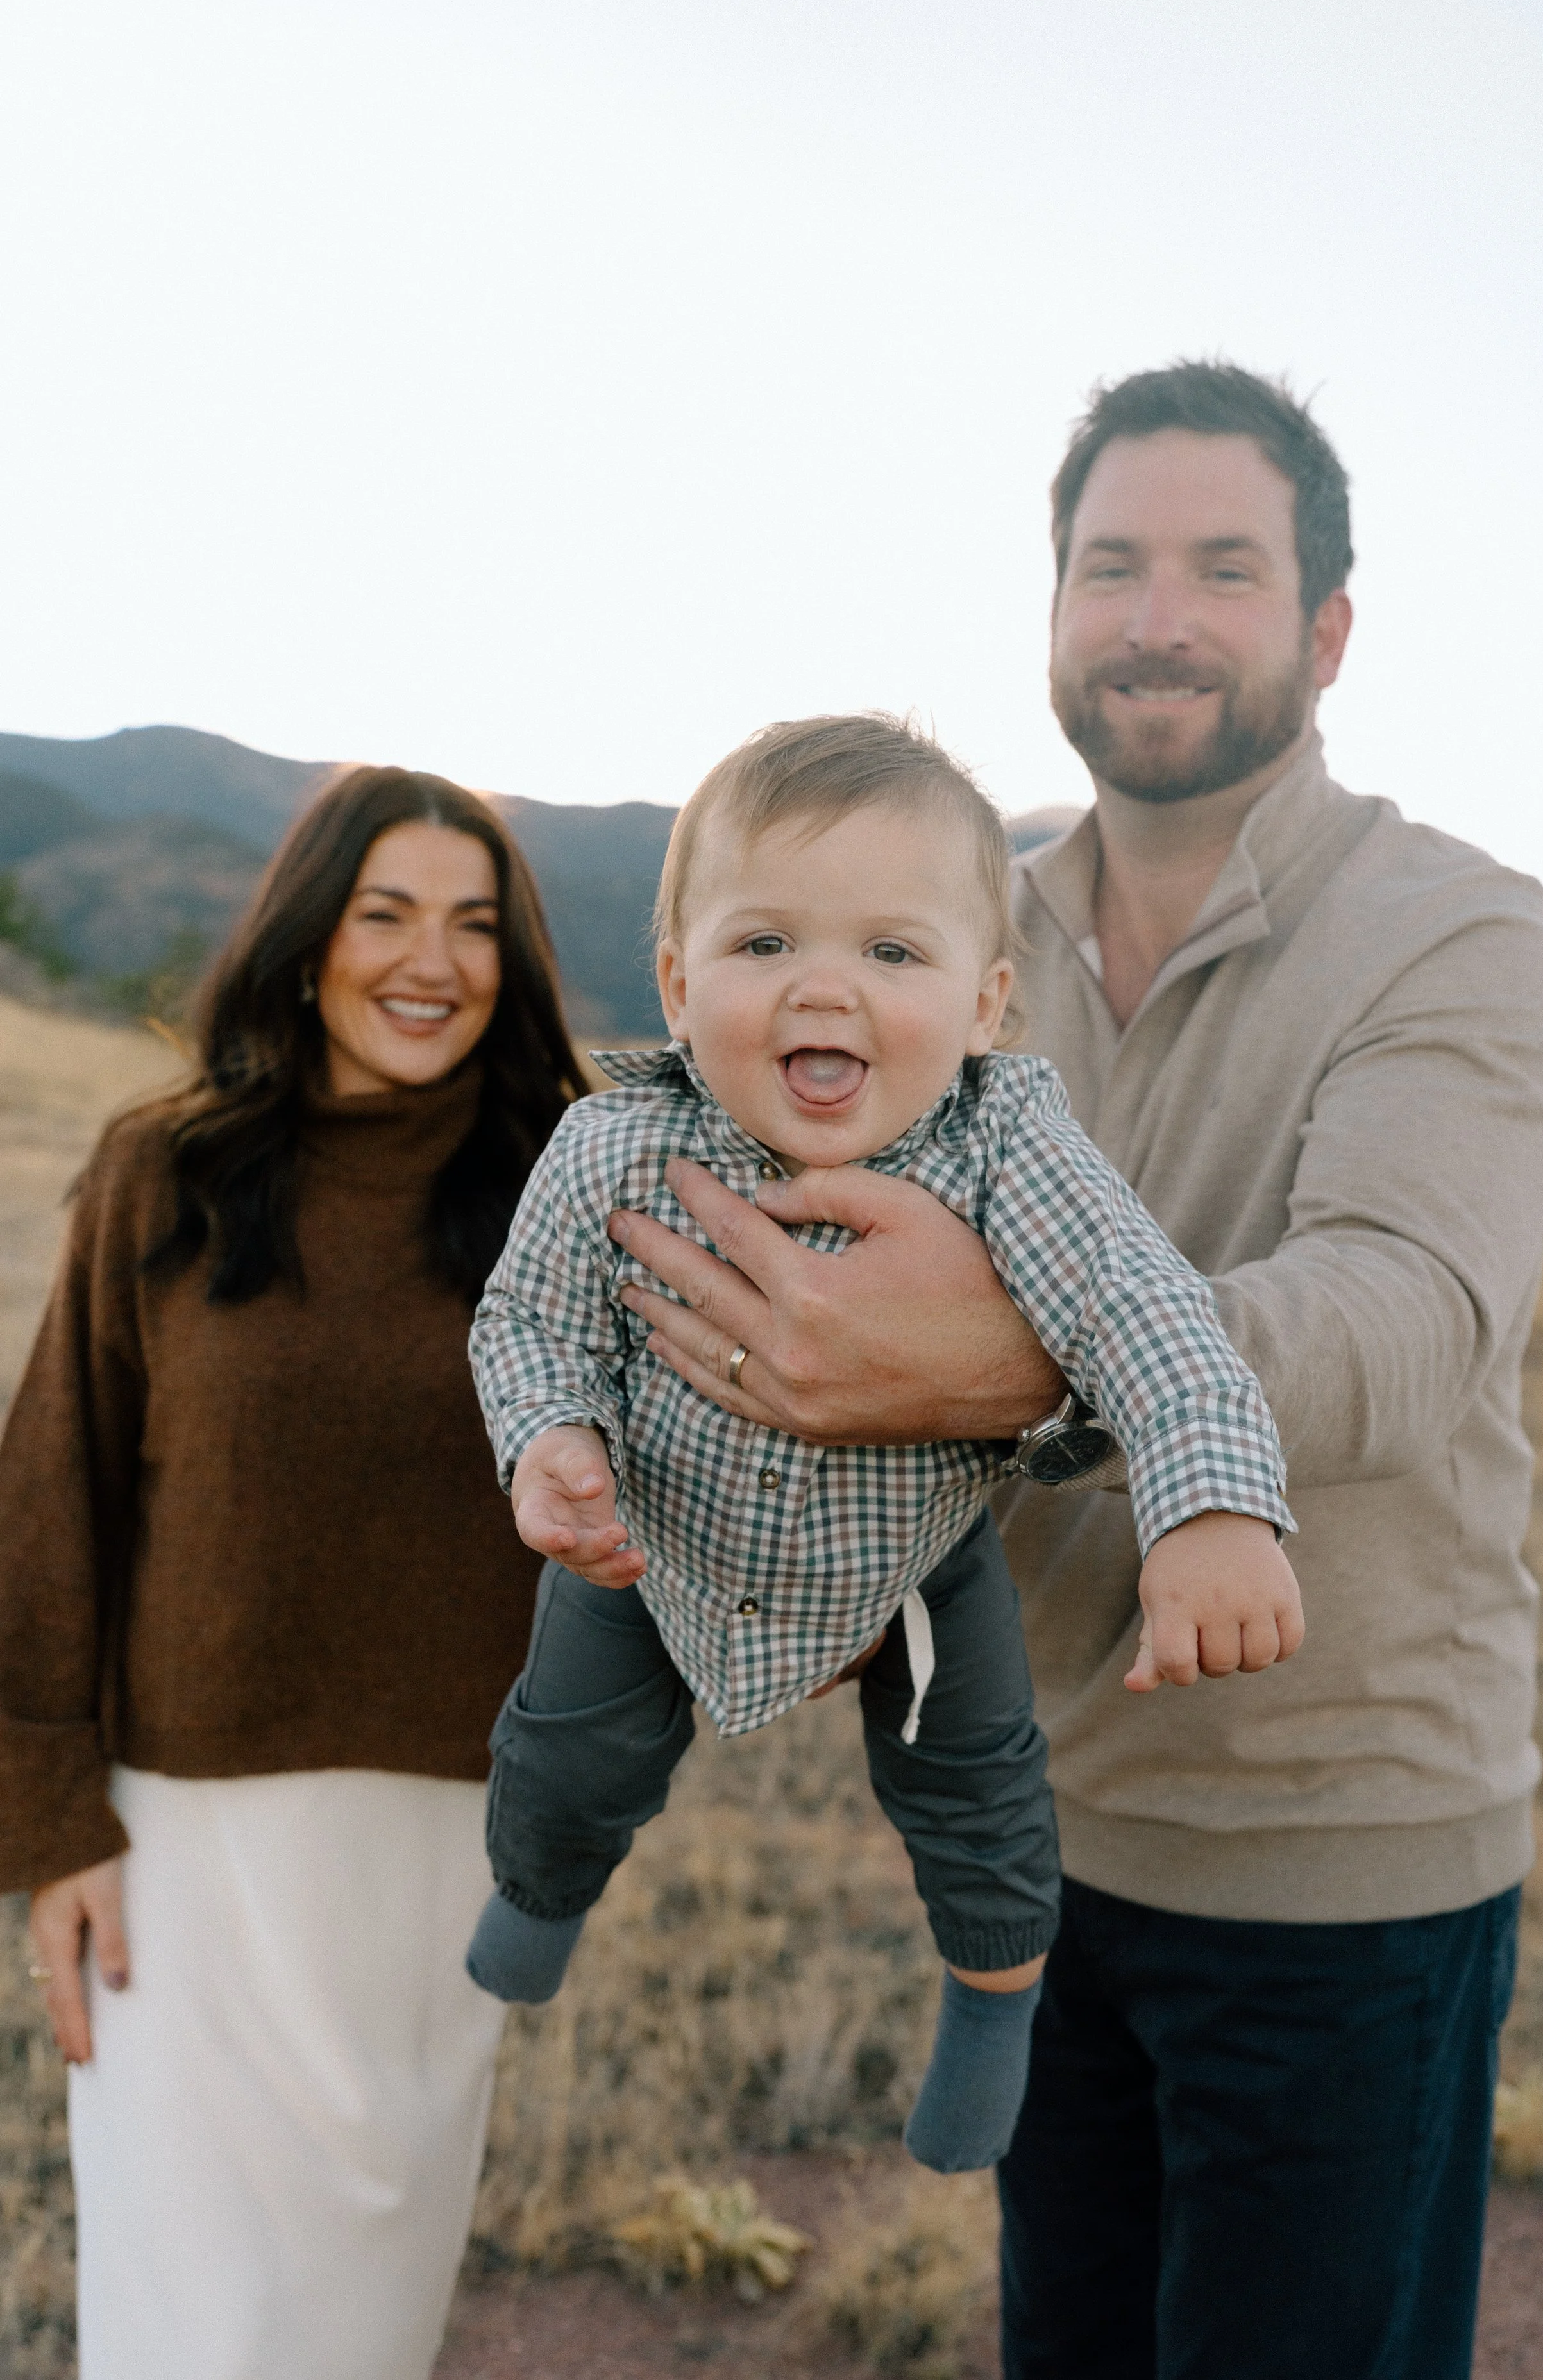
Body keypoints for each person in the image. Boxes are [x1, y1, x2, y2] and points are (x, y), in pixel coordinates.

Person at [591, 367, 1543, 2378]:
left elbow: (1395, 1319)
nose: (1156, 613)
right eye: (1110, 562)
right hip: (1041, 1833)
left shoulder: (1462, 929)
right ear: (1051, 609)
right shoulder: (947, 934)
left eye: (1224, 567)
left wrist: (1000, 1356)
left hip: (1337, 1853)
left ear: (1321, 631)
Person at [463, 712, 1300, 2175]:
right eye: (765, 944)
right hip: (648, 1529)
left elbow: (1142, 1316)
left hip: (912, 1552)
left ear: (985, 1005)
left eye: (891, 955)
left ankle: (991, 2006)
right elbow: (523, 1322)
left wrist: (1209, 1509)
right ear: (676, 979)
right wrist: (549, 1442)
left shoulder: (1001, 1149)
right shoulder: (609, 1147)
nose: (824, 990)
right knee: (566, 1750)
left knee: (975, 1782)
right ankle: (538, 1897)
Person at [0, 767, 588, 2380]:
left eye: (475, 925)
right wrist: (53, 1825)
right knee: (190, 2328)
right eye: (386, 912)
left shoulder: (567, 1192)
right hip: (185, 1849)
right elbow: (51, 1497)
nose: (432, 960)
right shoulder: (166, 1173)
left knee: (356, 2328)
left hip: (445, 1850)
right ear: (309, 937)